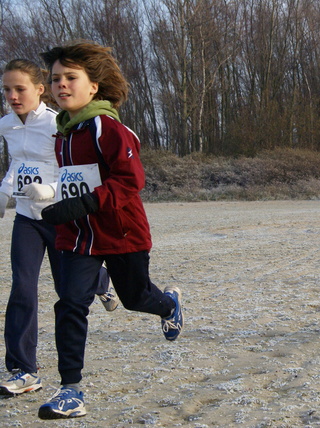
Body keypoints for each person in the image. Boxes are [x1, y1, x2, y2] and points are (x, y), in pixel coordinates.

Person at [36, 41, 183, 419]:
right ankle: (71, 391)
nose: (61, 85)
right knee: (70, 303)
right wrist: (53, 197)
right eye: (55, 79)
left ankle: (168, 304)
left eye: (71, 77)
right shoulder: (63, 132)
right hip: (78, 236)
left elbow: (131, 180)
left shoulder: (109, 128)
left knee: (135, 298)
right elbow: (74, 181)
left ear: (93, 87)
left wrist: (84, 203)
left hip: (122, 234)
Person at [0, 59, 118, 398]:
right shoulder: (7, 125)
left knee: (68, 284)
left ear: (40, 89)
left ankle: (101, 281)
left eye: (19, 89)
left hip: (59, 214)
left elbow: (72, 169)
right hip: (26, 219)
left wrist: (50, 191)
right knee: (22, 287)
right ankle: (24, 369)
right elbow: (18, 163)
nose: (12, 96)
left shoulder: (58, 123)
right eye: (6, 90)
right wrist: (6, 189)